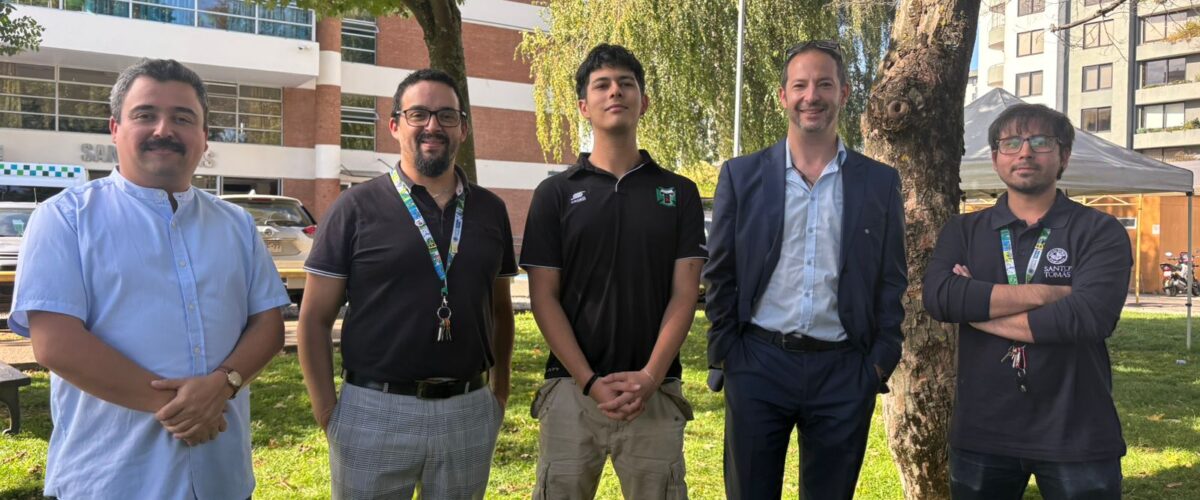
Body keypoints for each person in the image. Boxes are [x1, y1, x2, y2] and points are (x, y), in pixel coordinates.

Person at [11, 58, 288, 499]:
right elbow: (56, 343)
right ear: (115, 128)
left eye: (183, 118)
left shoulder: (236, 224)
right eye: (145, 115)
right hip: (111, 480)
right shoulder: (65, 218)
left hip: (223, 478)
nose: (164, 129)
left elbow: (268, 324)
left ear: (204, 136)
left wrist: (224, 384)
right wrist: (187, 408)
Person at [298, 68, 517, 500]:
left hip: (469, 409)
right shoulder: (353, 208)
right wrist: (328, 414)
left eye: (446, 115)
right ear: (395, 125)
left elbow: (500, 311)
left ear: (463, 129)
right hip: (373, 411)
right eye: (418, 114)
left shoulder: (491, 211)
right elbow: (313, 320)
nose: (433, 125)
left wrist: (499, 396)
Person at [703, 40, 907, 499]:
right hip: (758, 363)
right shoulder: (741, 176)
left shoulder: (879, 182)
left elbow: (891, 277)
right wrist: (728, 353)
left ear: (844, 93)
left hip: (845, 369)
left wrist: (878, 362)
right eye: (800, 85)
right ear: (783, 96)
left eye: (824, 84)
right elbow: (720, 272)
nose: (811, 96)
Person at [520, 43, 706, 499]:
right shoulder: (554, 194)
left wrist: (650, 376)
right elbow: (544, 297)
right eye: (601, 85)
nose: (615, 92)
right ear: (584, 106)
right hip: (571, 389)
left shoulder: (679, 192)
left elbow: (685, 294)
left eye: (626, 83)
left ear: (644, 101)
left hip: (654, 390)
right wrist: (588, 381)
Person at [923, 104, 1129, 499]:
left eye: (1040, 141)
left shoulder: (1099, 230)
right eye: (1011, 142)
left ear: (1064, 155)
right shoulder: (964, 230)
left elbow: (1087, 318)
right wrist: (1049, 293)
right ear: (996, 157)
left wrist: (976, 311)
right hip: (984, 432)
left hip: (1078, 431)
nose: (1025, 152)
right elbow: (940, 298)